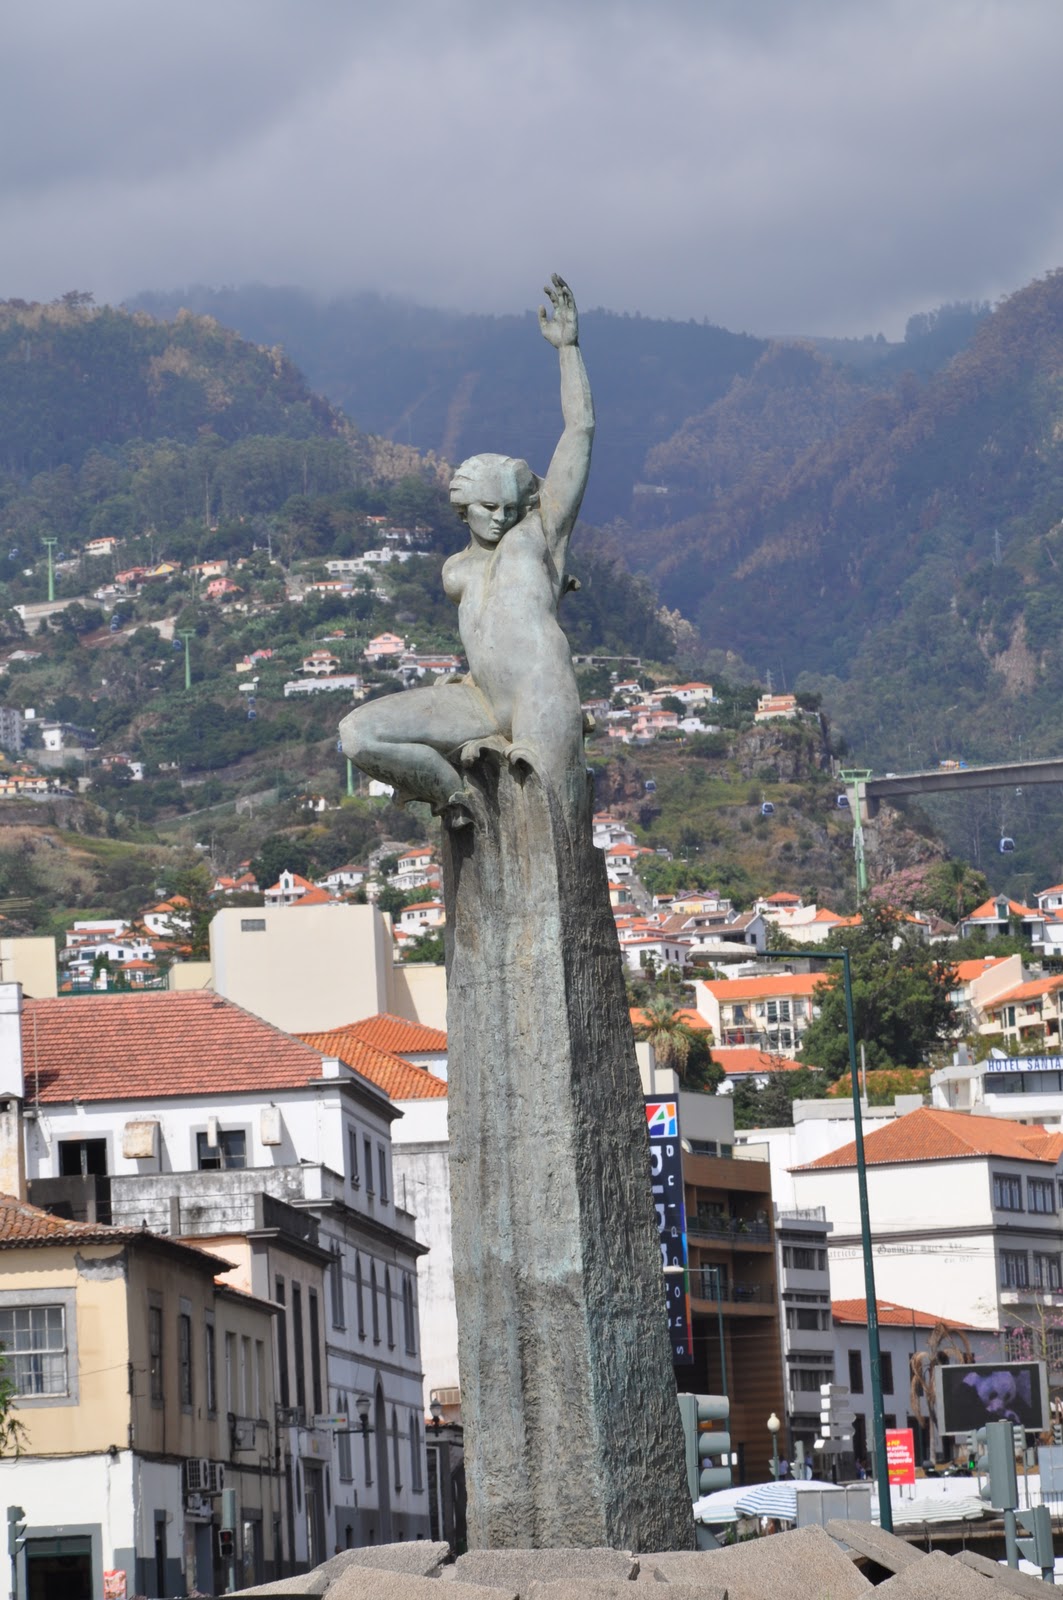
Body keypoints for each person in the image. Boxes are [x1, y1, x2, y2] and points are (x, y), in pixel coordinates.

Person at [340, 275, 594, 826]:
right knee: (358, 734)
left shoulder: (540, 533)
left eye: (511, 507)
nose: (501, 518)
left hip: (541, 690)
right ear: (464, 509)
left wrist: (568, 350)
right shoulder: (456, 569)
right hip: (479, 701)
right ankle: (457, 799)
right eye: (488, 508)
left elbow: (580, 430)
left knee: (551, 824)